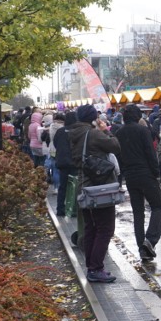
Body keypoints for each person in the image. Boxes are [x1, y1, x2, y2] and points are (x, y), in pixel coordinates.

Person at [68, 104, 121, 283]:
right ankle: (96, 268)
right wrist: (106, 130)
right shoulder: (93, 134)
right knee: (106, 228)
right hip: (100, 188)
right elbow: (115, 146)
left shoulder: (74, 134)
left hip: (84, 185)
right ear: (92, 117)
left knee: (91, 227)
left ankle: (91, 266)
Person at [115, 104, 161, 262]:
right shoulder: (143, 130)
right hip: (146, 173)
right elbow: (150, 152)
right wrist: (156, 172)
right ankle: (150, 240)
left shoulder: (119, 132)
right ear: (138, 116)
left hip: (130, 175)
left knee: (138, 212)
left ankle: (141, 247)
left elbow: (119, 155)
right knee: (157, 206)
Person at [52, 112, 77, 216]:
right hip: (74, 162)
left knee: (63, 186)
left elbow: (55, 143)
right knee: (74, 186)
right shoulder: (77, 132)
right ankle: (73, 209)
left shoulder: (60, 131)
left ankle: (60, 209)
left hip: (62, 162)